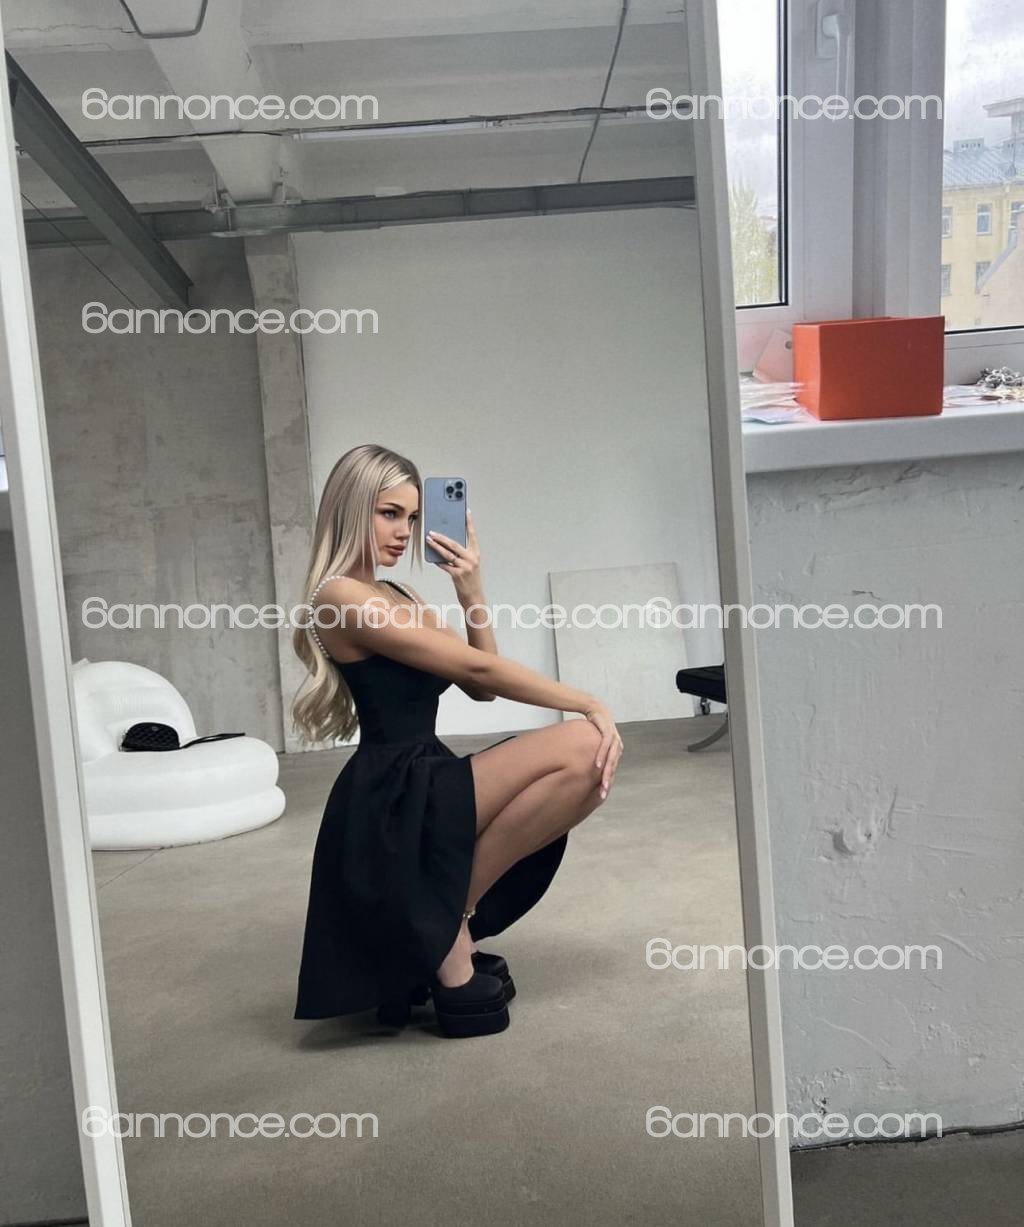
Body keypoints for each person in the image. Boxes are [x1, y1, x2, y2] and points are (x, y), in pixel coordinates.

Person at [291, 443, 623, 1038]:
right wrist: (588, 700)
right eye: (389, 513)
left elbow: (480, 688)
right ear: (350, 509)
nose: (405, 531)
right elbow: (478, 669)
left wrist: (471, 591)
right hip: (390, 794)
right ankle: (444, 942)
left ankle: (446, 926)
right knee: (581, 741)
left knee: (586, 771)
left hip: (427, 774)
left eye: (413, 517)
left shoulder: (398, 595)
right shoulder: (339, 597)